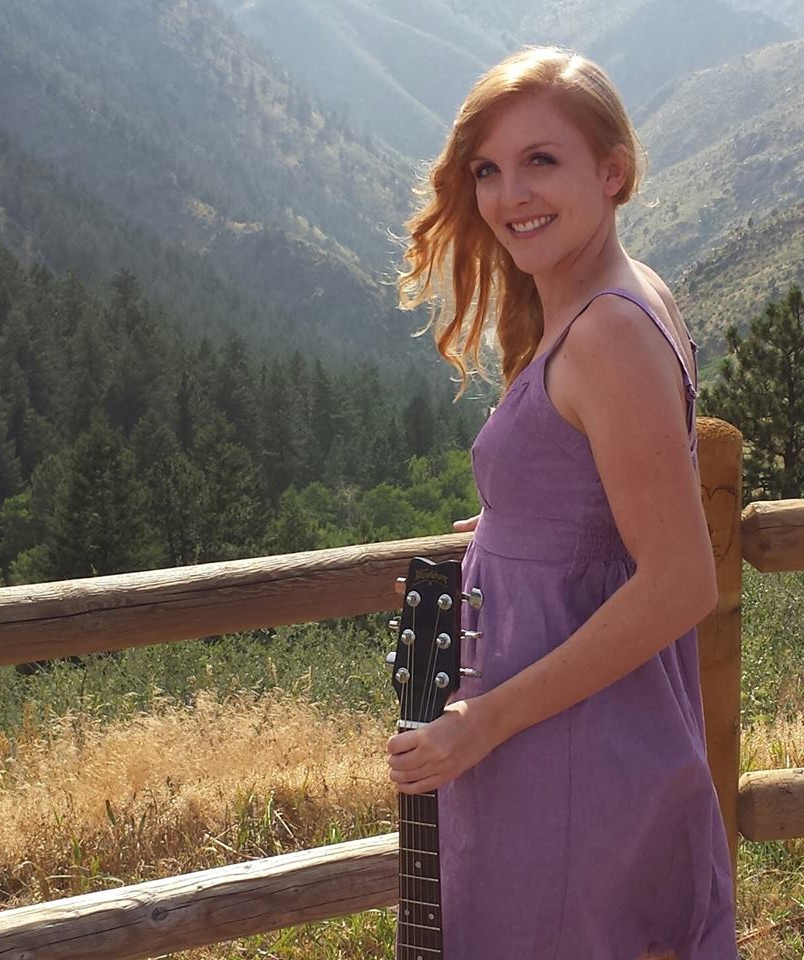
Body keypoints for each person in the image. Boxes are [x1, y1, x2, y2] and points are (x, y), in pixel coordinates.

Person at [386, 46, 739, 959]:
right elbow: (604, 489)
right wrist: (517, 521)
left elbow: (680, 583)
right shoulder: (609, 296)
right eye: (489, 170)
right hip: (573, 734)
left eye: (542, 160)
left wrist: (484, 721)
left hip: (567, 754)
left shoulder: (609, 331)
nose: (509, 196)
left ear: (612, 171)